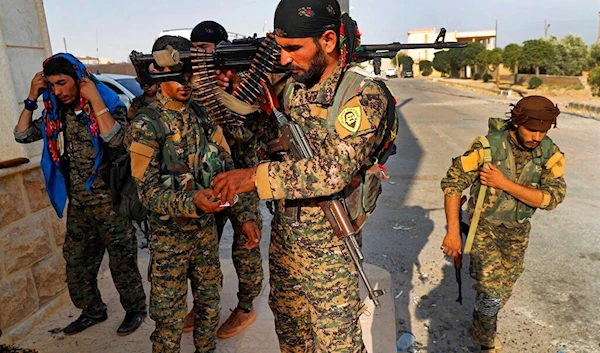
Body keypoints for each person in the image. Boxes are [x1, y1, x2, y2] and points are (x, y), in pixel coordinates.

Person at [212, 0, 391, 351]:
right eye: (280, 49)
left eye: (293, 49)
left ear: (327, 40)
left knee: (336, 344)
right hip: (286, 240)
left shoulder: (363, 95)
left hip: (329, 249)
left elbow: (332, 172)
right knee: (292, 336)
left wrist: (253, 178)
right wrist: (235, 96)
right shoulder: (295, 88)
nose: (283, 59)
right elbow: (262, 137)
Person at [126, 35, 260, 353]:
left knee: (208, 308)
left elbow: (226, 169)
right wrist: (193, 202)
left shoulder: (203, 115)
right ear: (158, 75)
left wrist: (245, 217)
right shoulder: (147, 124)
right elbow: (146, 192)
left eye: (189, 73)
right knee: (169, 321)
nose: (186, 81)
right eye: (177, 73)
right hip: (168, 241)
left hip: (203, 237)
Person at [14, 54, 146, 336]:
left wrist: (96, 100)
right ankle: (92, 311)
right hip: (80, 206)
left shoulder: (110, 106)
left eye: (62, 83)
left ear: (79, 79)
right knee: (76, 264)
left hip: (112, 204)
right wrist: (31, 98)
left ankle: (135, 310)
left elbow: (118, 142)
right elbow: (22, 136)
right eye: (52, 85)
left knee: (122, 264)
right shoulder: (55, 114)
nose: (58, 91)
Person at [440, 96, 567, 352]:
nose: (537, 137)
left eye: (543, 131)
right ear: (517, 123)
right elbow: (452, 185)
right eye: (531, 130)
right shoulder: (487, 148)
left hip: (518, 231)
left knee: (504, 290)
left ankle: (480, 323)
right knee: (491, 291)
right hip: (484, 228)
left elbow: (552, 198)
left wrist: (503, 183)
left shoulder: (548, 153)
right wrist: (453, 233)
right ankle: (486, 341)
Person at [183, 19, 265, 338]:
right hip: (207, 179)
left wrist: (227, 90)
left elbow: (249, 132)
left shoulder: (239, 80)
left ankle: (245, 307)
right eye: (195, 48)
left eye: (205, 48)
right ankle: (205, 304)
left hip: (243, 176)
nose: (199, 54)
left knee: (246, 244)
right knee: (204, 249)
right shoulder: (190, 84)